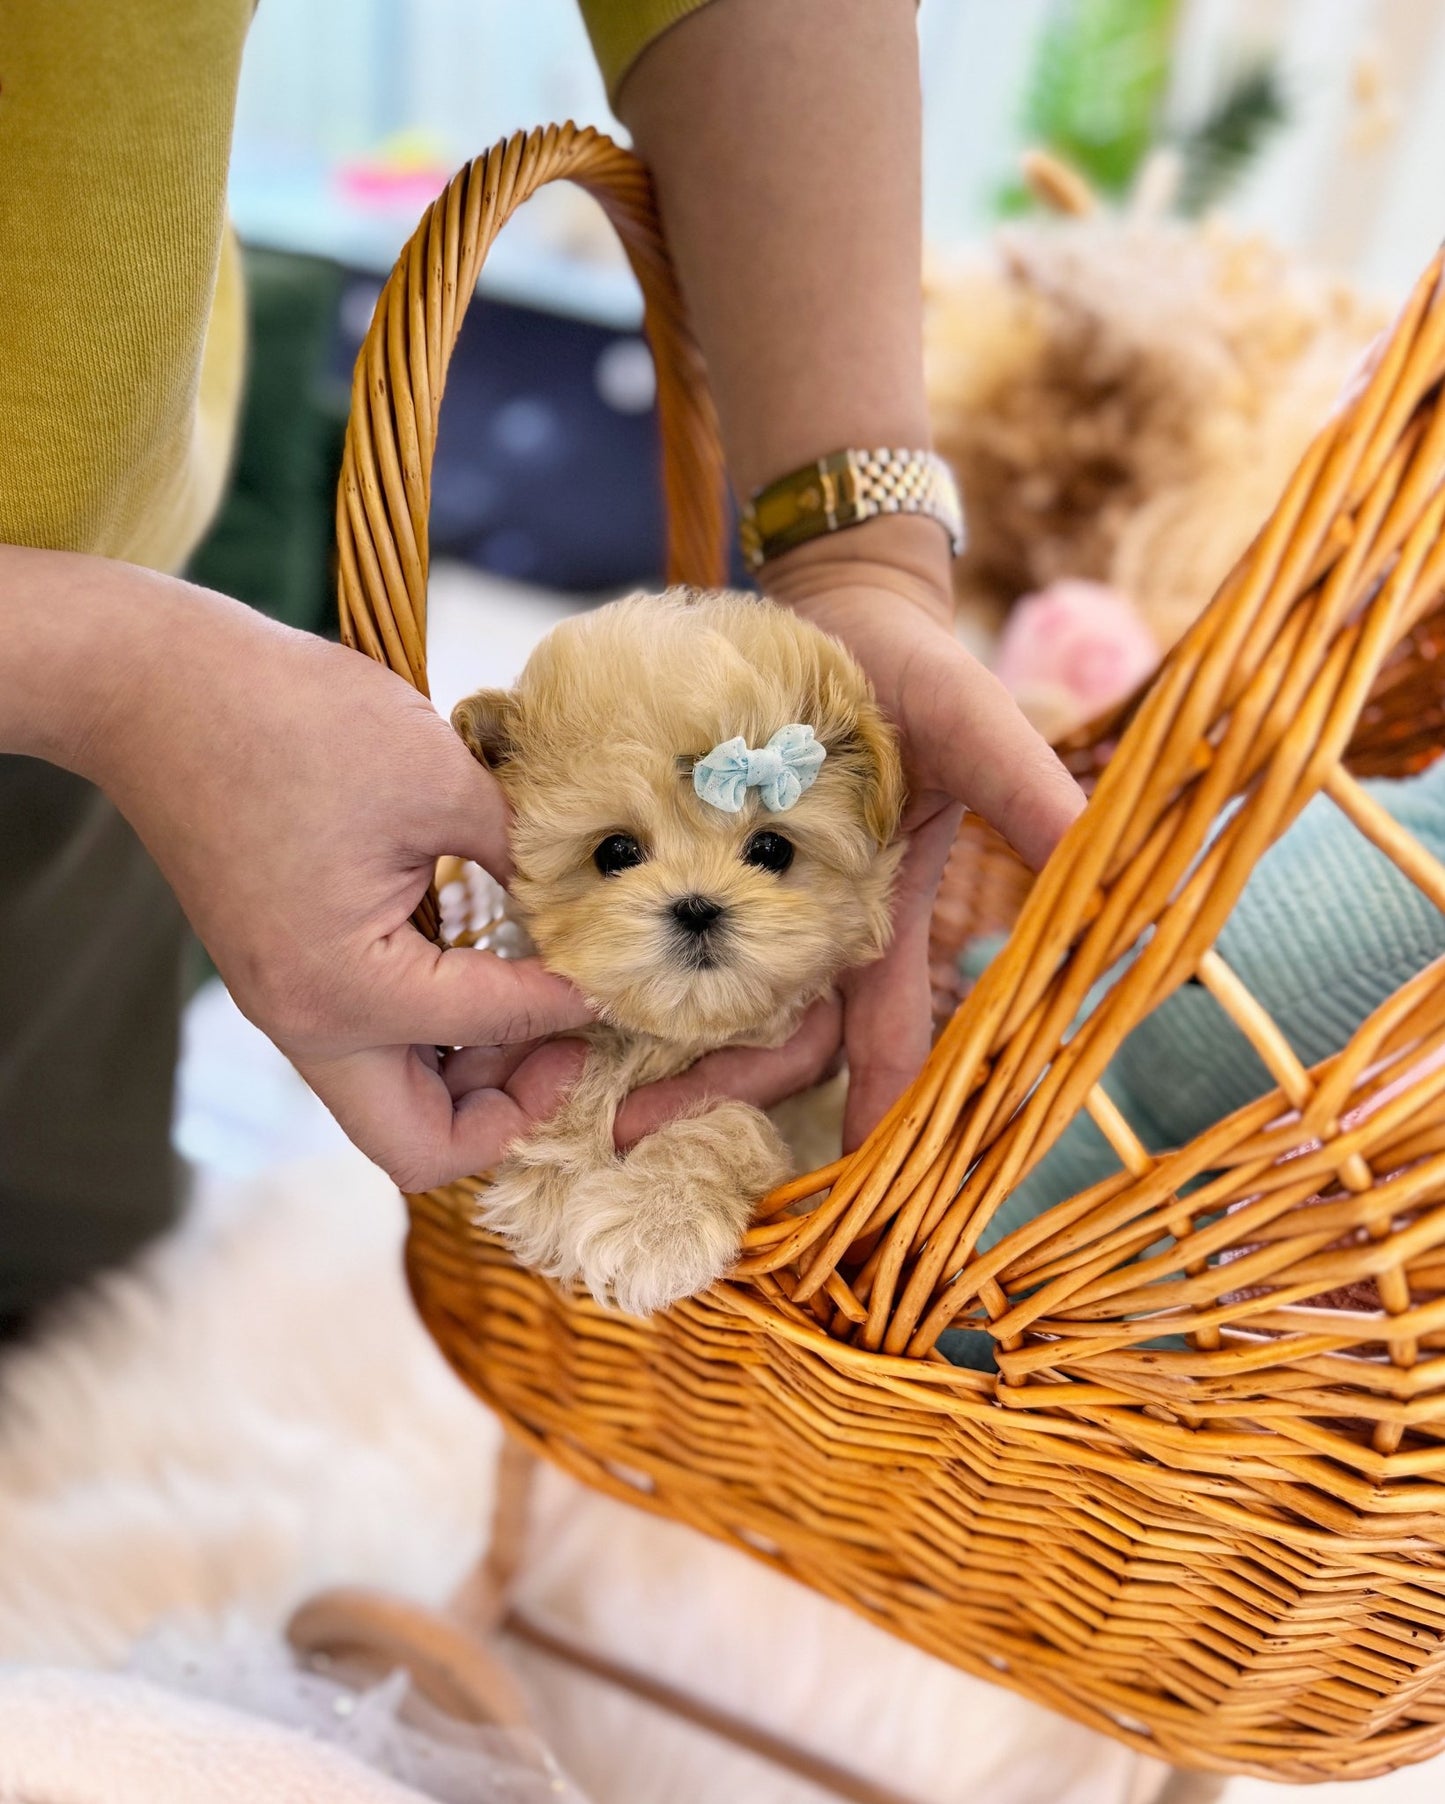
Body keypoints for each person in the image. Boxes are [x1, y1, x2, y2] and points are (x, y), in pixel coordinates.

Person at [0, 0, 1083, 1322]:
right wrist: (114, 674)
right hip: (112, 668)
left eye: (771, 849)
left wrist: (863, 556)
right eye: (618, 853)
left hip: (91, 680)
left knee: (74, 1263)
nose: (698, 905)